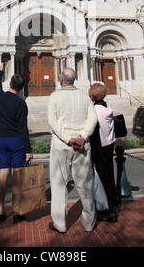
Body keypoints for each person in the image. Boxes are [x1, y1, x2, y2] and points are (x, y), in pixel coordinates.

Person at [47, 68, 98, 233]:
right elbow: (93, 118)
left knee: (59, 183)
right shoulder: (84, 96)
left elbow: (52, 121)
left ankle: (60, 224)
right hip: (82, 146)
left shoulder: (55, 96)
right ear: (74, 80)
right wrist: (82, 136)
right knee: (85, 183)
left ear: (61, 79)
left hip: (62, 145)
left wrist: (68, 138)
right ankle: (89, 222)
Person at [0, 63, 33, 222]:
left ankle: (0, 211)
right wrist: (28, 150)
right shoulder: (20, 103)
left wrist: (0, 71)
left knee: (2, 174)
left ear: (9, 83)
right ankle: (17, 212)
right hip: (16, 141)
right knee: (17, 177)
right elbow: (23, 128)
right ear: (22, 87)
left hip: (2, 140)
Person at [89, 82, 118, 222]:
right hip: (109, 146)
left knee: (102, 179)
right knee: (109, 177)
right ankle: (113, 204)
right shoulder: (108, 107)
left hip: (99, 149)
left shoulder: (95, 110)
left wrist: (92, 157)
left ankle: (107, 209)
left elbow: (93, 134)